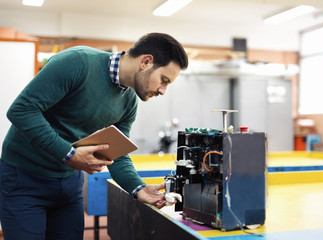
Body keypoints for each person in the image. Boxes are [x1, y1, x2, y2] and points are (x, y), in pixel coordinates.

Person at [0, 32, 188, 240]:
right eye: (164, 80)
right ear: (146, 61)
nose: (163, 90)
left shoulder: (129, 102)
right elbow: (22, 110)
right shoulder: (77, 62)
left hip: (68, 186)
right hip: (24, 180)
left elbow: (115, 152)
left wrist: (138, 188)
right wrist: (69, 154)